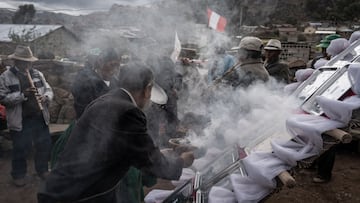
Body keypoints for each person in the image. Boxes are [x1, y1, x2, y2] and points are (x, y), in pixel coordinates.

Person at [37, 61, 194, 203]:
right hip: (79, 195)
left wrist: (160, 153)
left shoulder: (108, 99)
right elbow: (152, 163)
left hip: (66, 189)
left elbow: (124, 149)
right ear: (147, 89)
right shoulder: (129, 112)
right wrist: (182, 162)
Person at [0, 45, 53, 187]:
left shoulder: (37, 74)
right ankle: (18, 174)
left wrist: (45, 97)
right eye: (24, 62)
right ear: (16, 61)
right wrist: (23, 95)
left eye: (29, 62)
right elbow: (3, 98)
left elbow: (48, 89)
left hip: (39, 116)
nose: (27, 65)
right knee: (21, 148)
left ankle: (42, 170)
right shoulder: (6, 77)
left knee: (44, 144)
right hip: (21, 120)